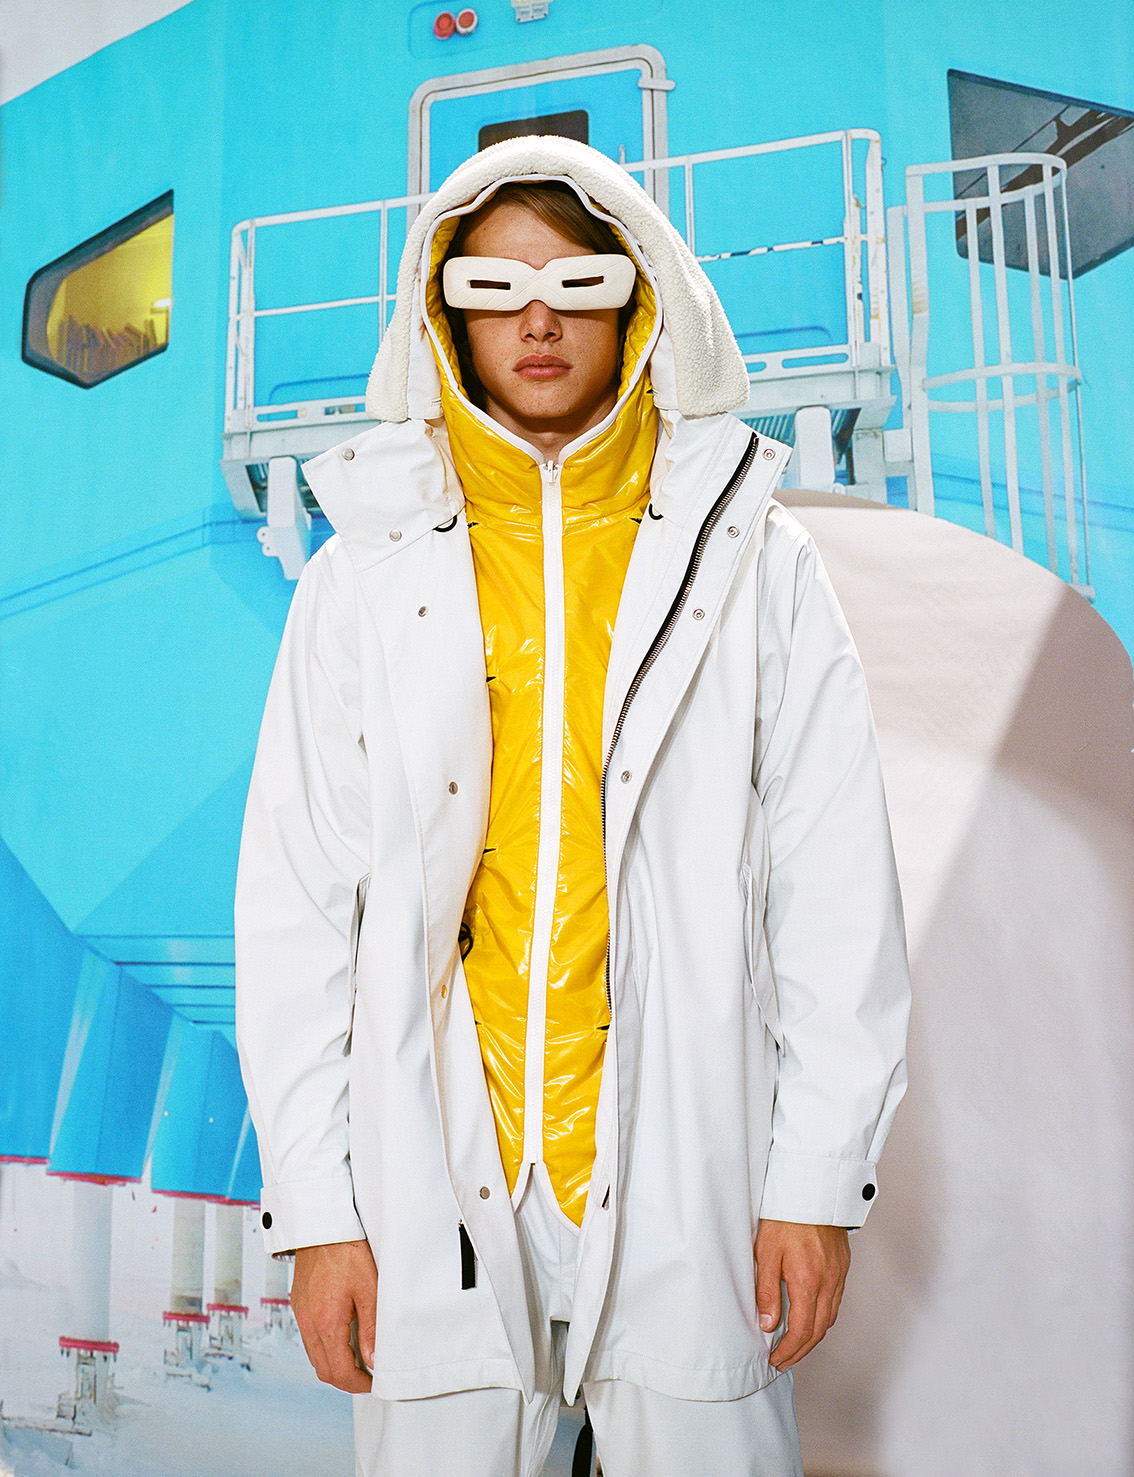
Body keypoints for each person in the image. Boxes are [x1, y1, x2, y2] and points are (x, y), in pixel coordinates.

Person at [234, 135, 910, 1477]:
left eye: (575, 283)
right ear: (442, 314)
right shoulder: (361, 579)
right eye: (492, 289)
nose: (536, 321)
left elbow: (835, 890)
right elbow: (300, 909)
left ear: (640, 297)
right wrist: (317, 1209)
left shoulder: (754, 561)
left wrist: (815, 1180)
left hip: (687, 1166)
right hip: (434, 1173)